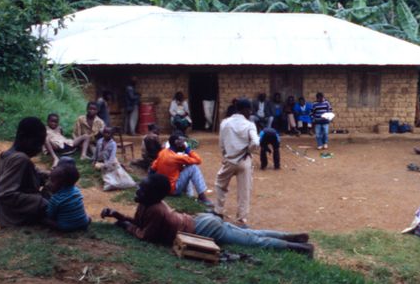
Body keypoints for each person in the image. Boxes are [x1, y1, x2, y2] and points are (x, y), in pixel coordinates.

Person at [101, 174, 314, 256]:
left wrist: (125, 227)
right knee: (249, 233)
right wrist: (118, 216)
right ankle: (289, 237)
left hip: (203, 228)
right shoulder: (147, 204)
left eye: (142, 189)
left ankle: (297, 248)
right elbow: (138, 222)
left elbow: (143, 235)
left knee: (252, 241)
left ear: (154, 195)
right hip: (199, 221)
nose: (137, 191)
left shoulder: (155, 209)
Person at [0, 117, 49, 228]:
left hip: (6, 218)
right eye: (37, 143)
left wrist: (44, 176)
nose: (39, 149)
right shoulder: (20, 159)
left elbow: (25, 178)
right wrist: (40, 202)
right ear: (23, 137)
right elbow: (0, 194)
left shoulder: (7, 154)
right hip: (16, 220)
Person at [215, 99, 259, 227]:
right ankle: (241, 219)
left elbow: (221, 143)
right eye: (249, 109)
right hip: (244, 161)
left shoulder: (225, 123)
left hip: (229, 160)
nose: (250, 112)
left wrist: (225, 155)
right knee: (244, 191)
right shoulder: (249, 125)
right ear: (245, 110)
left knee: (220, 184)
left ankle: (218, 211)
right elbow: (255, 142)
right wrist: (248, 150)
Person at [151, 134, 214, 207]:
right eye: (182, 143)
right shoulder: (177, 157)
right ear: (177, 143)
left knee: (184, 168)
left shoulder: (162, 152)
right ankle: (202, 197)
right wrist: (187, 149)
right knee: (193, 167)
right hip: (172, 190)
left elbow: (152, 168)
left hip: (163, 189)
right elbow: (198, 160)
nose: (184, 144)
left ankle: (189, 195)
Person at [43, 161, 90, 232]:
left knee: (45, 220)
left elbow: (50, 215)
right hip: (84, 223)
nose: (49, 183)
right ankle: (82, 221)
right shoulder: (77, 191)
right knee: (85, 217)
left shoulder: (56, 199)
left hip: (66, 227)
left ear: (62, 184)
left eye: (52, 181)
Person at [94, 127, 136, 191]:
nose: (107, 134)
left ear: (111, 134)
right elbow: (96, 152)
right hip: (101, 161)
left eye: (109, 133)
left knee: (118, 172)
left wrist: (106, 165)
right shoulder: (99, 141)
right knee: (108, 175)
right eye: (106, 133)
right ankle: (112, 183)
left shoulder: (113, 144)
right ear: (103, 133)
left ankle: (127, 181)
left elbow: (112, 156)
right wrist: (94, 161)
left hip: (110, 161)